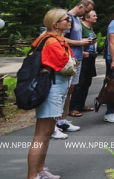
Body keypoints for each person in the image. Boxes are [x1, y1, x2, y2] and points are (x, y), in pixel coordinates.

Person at [26, 9, 74, 179]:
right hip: (52, 87)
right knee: (41, 133)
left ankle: (41, 169)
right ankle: (32, 175)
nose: (70, 21)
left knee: (47, 133)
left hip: (56, 86)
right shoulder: (52, 41)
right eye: (66, 19)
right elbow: (65, 65)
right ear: (56, 24)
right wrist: (72, 61)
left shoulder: (55, 39)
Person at [56, 0, 94, 136]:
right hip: (68, 59)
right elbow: (60, 38)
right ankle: (55, 121)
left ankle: (62, 120)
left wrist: (83, 47)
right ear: (80, 6)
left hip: (78, 57)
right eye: (87, 11)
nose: (87, 14)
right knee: (63, 89)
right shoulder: (66, 18)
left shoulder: (77, 19)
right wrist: (79, 43)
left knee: (70, 88)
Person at [68, 8, 98, 117]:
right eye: (94, 15)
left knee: (87, 82)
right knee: (79, 83)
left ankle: (81, 105)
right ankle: (73, 108)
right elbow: (75, 40)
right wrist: (83, 51)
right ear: (87, 17)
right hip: (83, 58)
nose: (96, 17)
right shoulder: (81, 27)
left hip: (91, 58)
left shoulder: (90, 28)